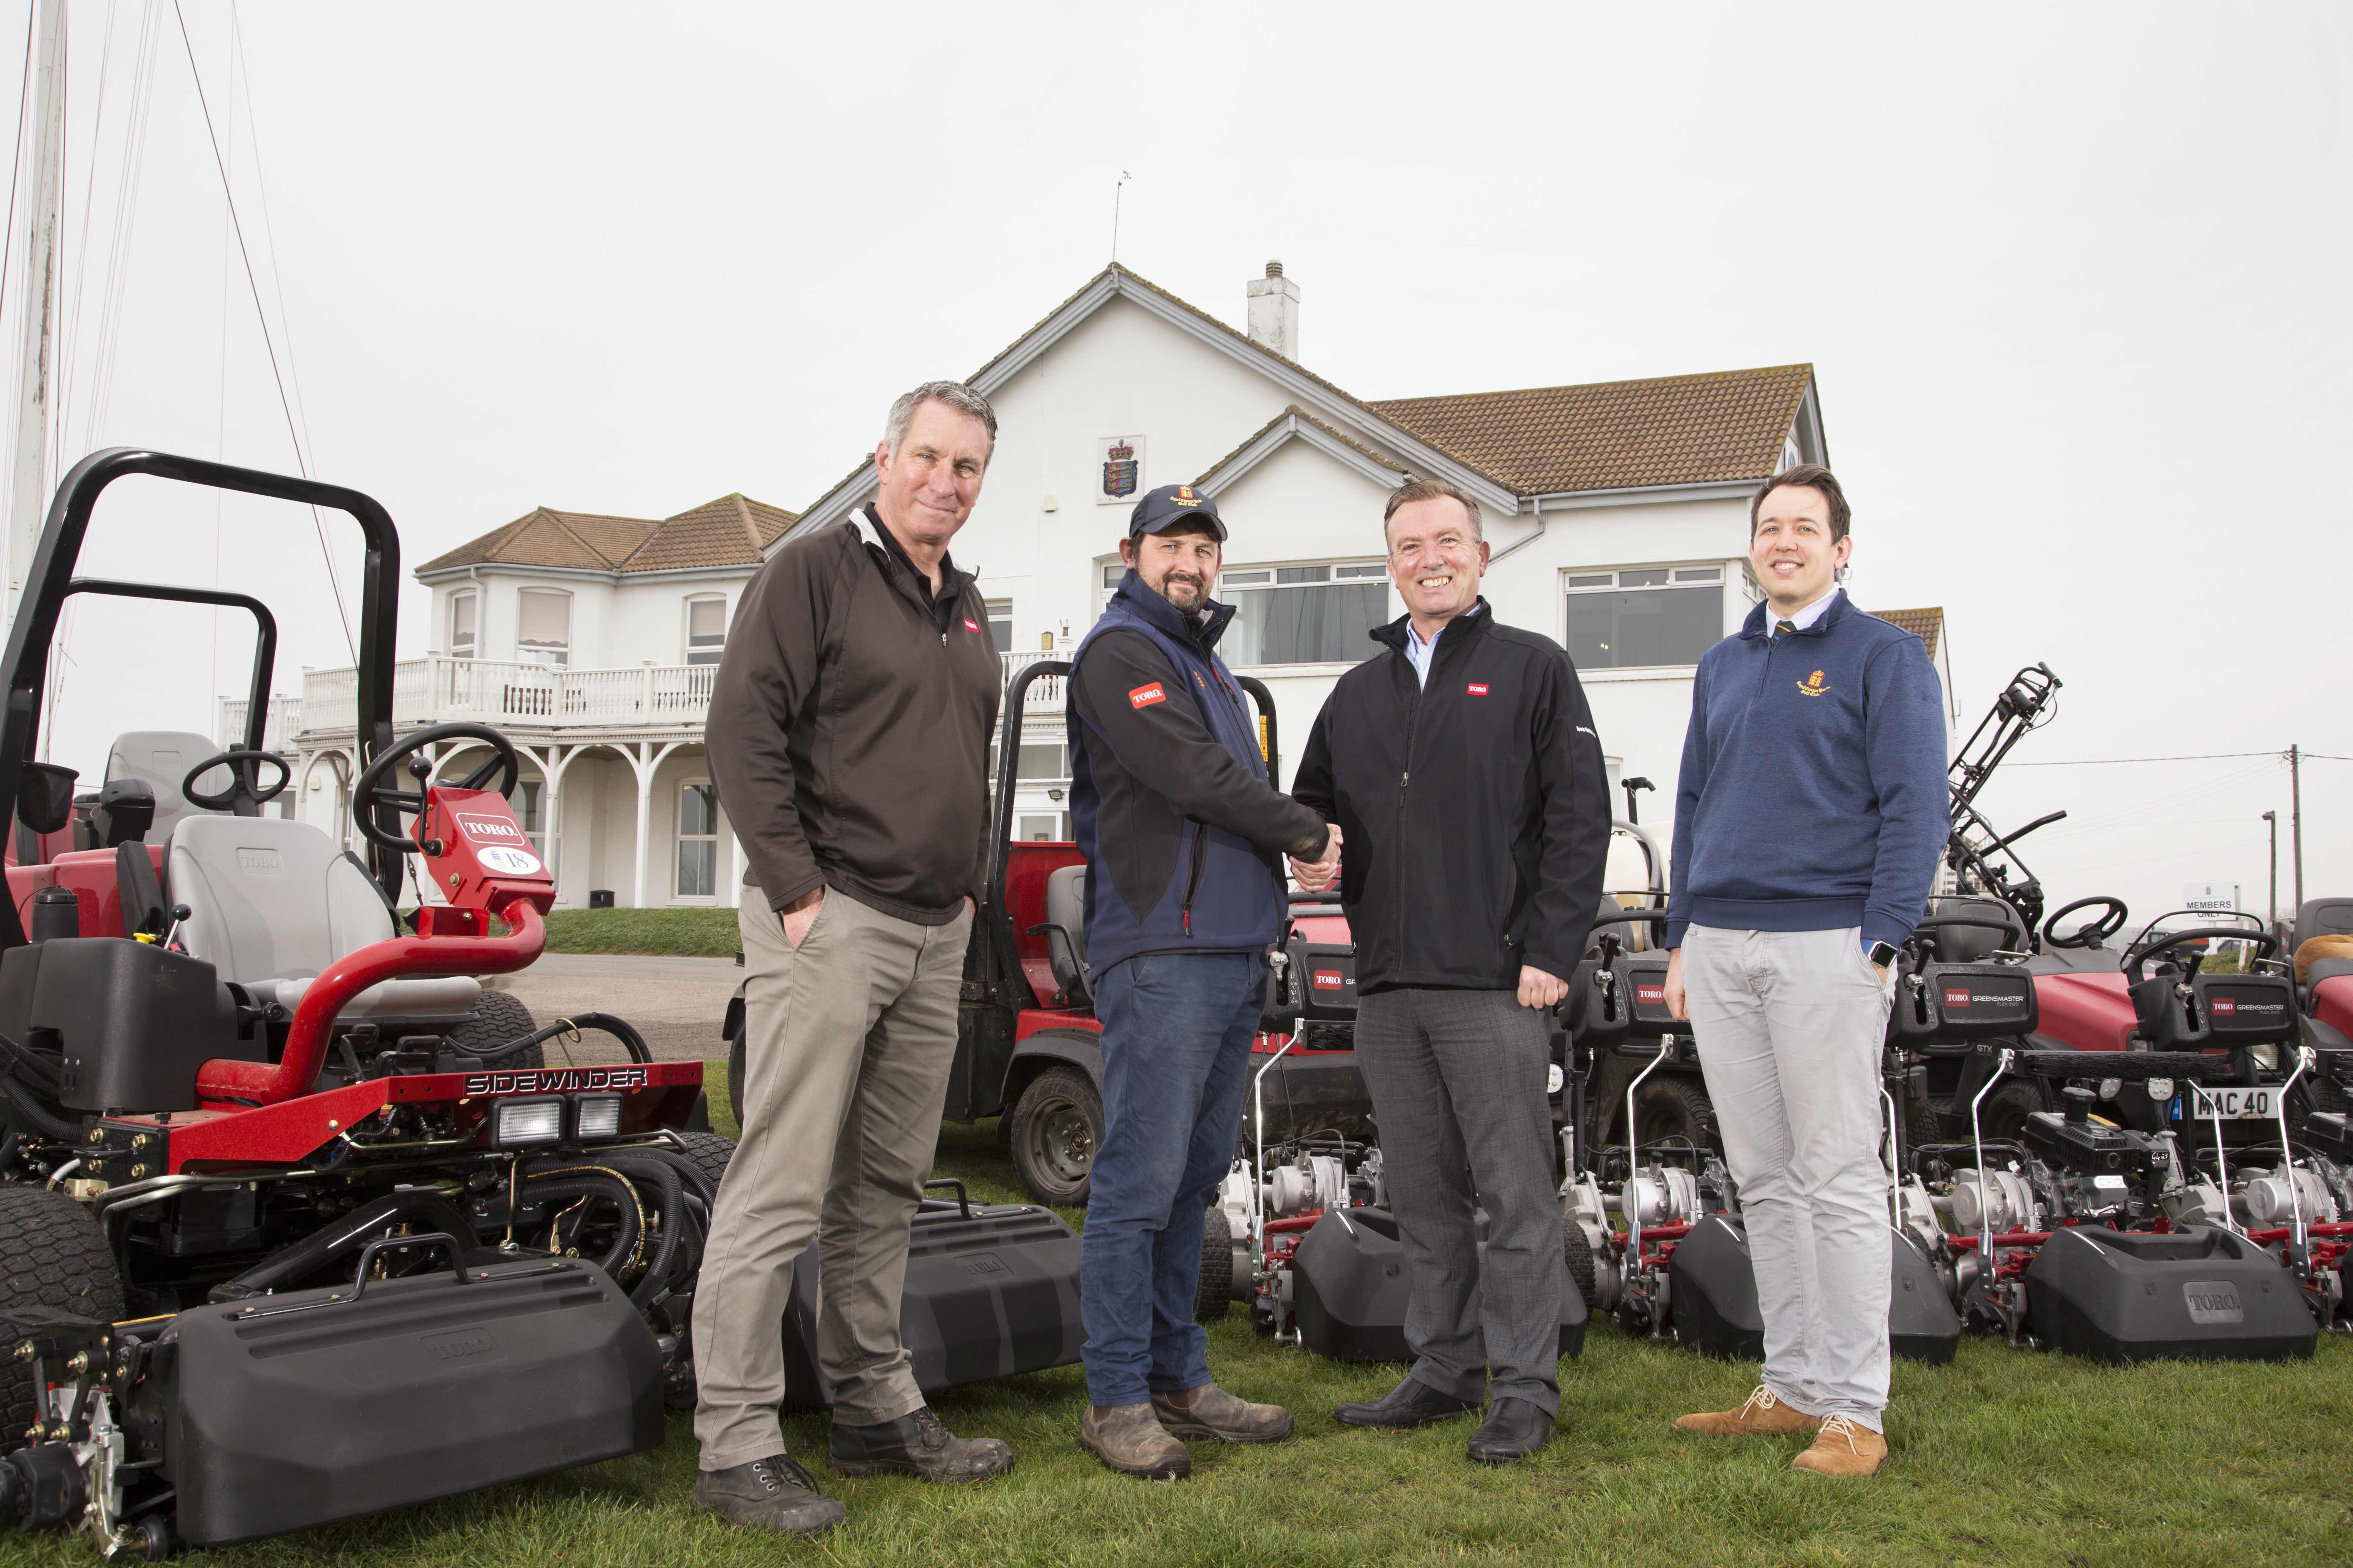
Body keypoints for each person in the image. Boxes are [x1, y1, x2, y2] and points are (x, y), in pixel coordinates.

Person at [692, 381, 1015, 1537]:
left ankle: (874, 1408)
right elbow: (742, 730)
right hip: (831, 923)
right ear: (884, 458)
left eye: (968, 467)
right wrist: (795, 893)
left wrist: (972, 883)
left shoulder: (967, 604)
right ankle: (736, 1444)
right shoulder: (811, 572)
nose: (947, 481)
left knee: (885, 1182)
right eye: (929, 457)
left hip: (937, 930)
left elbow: (964, 752)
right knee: (781, 1182)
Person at [1290, 476, 1610, 1464]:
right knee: (1422, 1194)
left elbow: (1576, 818)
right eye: (1408, 545)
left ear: (1478, 555)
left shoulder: (1533, 668)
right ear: (1391, 564)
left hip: (1494, 984)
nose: (1428, 557)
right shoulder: (1355, 693)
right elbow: (1311, 807)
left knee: (1513, 1199)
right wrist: (1311, 849)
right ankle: (1441, 1366)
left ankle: (1522, 1387)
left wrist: (1550, 952)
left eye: (1446, 541)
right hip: (1387, 987)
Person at [1661, 463, 1948, 1479]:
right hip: (1723, 949)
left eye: (1803, 527)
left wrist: (1880, 936)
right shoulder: (1722, 662)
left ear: (1840, 547)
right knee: (1766, 1179)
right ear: (1752, 545)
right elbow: (1693, 801)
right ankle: (1788, 1387)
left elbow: (1918, 805)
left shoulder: (1884, 655)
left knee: (1835, 1178)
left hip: (1828, 946)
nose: (1782, 541)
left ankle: (1855, 1412)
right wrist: (1681, 933)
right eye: (1768, 526)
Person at [1067, 482, 1342, 1480]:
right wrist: (1306, 832)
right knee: (1137, 1181)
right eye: (1170, 544)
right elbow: (1189, 775)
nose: (1188, 561)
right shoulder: (1119, 652)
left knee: (1191, 1181)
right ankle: (1114, 1396)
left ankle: (1179, 1375)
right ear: (1131, 550)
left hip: (1229, 949)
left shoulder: (1206, 665)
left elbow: (1232, 792)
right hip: (1162, 950)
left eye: (1203, 547)